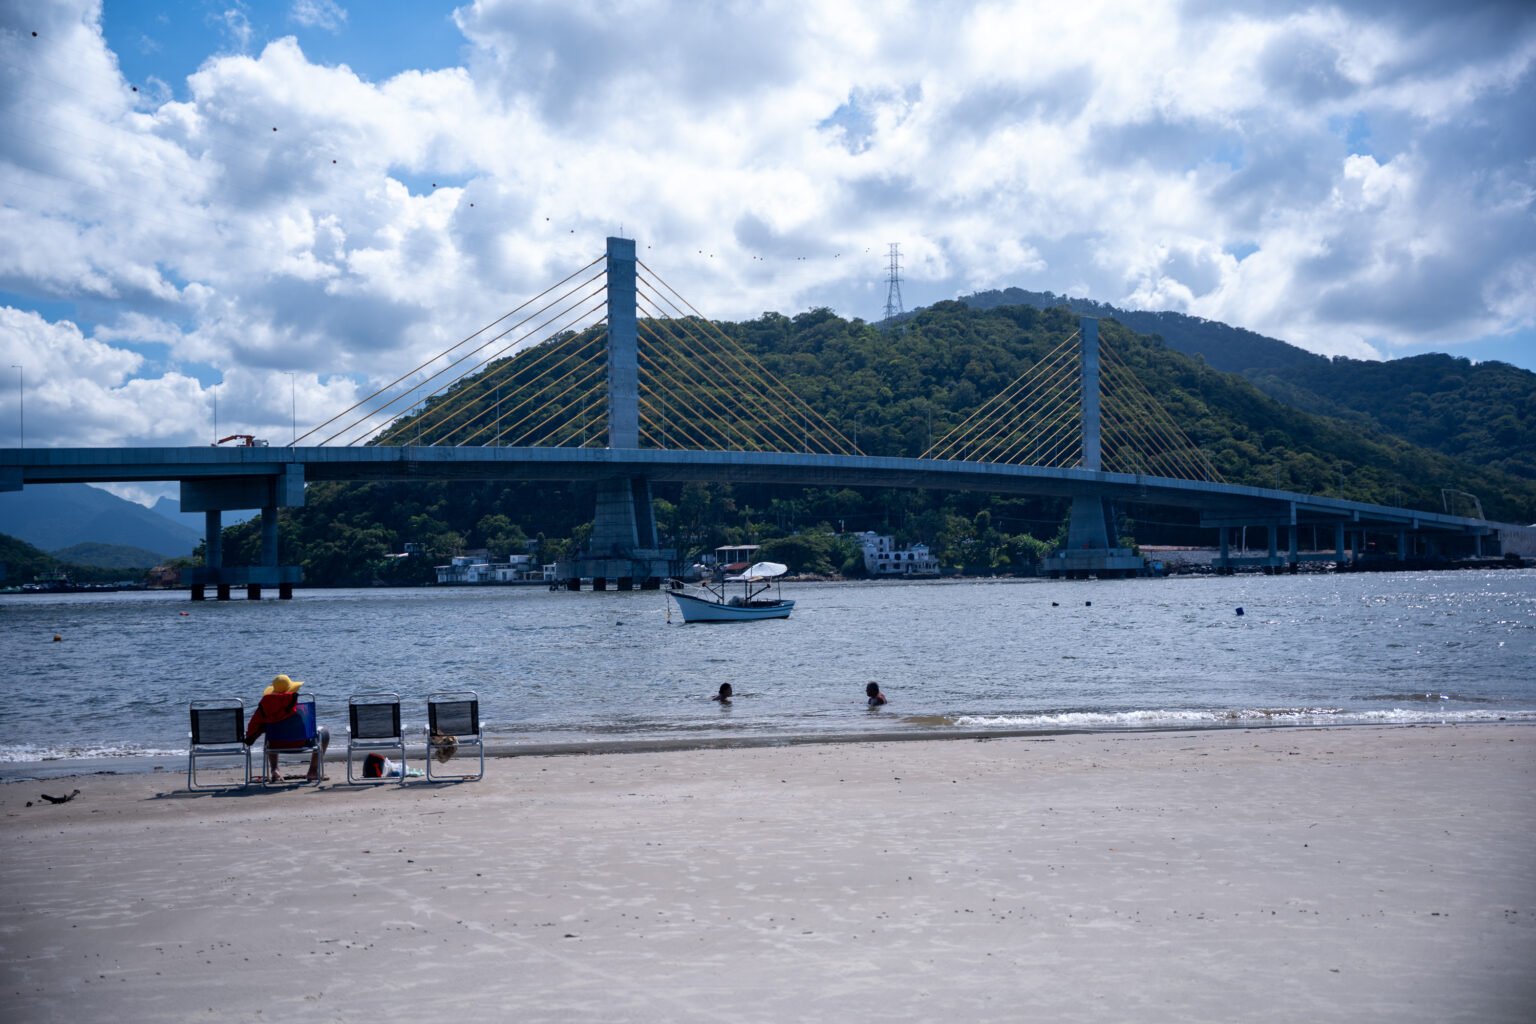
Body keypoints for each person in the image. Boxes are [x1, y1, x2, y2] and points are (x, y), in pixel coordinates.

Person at [244, 674, 330, 781]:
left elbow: (253, 727)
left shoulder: (264, 709)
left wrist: (250, 738)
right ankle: (312, 771)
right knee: (324, 732)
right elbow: (306, 728)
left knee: (269, 736)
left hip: (275, 745)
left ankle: (274, 769)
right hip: (300, 743)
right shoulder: (300, 709)